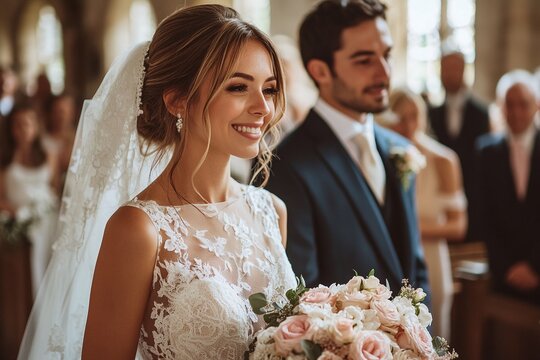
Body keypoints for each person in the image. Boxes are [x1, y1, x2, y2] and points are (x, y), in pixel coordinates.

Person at [18, 5, 296, 359]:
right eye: (238, 87)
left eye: (269, 89)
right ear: (178, 100)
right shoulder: (138, 229)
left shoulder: (271, 212)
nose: (263, 108)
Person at [265, 0, 429, 296]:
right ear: (321, 70)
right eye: (364, 60)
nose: (384, 72)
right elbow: (301, 295)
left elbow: (414, 266)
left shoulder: (398, 148)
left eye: (387, 55)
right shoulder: (285, 165)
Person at [383, 87, 467, 340]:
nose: (408, 125)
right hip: (391, 258)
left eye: (414, 116)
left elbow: (458, 226)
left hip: (431, 261)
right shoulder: (382, 157)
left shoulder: (444, 160)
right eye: (400, 117)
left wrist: (407, 226)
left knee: (431, 335)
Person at [476, 70, 540, 305]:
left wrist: (534, 267)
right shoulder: (486, 151)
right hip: (505, 274)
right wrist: (506, 267)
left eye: (523, 104)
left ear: (536, 105)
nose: (516, 112)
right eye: (509, 105)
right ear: (501, 108)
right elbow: (484, 215)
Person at [428, 49, 490, 241]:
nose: (449, 73)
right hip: (440, 197)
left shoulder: (481, 113)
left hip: (473, 197)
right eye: (445, 68)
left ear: (463, 70)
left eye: (454, 68)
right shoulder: (432, 113)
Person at [0, 104, 59, 295]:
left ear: (36, 126)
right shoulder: (5, 159)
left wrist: (40, 211)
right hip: (15, 226)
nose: (23, 129)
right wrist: (17, 214)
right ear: (11, 129)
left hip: (47, 225)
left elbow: (54, 189)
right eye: (17, 124)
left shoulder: (49, 156)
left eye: (27, 123)